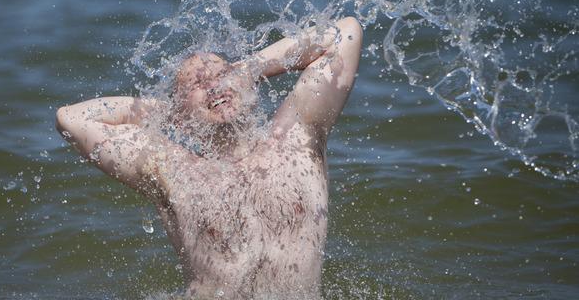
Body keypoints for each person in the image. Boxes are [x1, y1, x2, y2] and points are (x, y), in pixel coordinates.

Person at [56, 17, 363, 299]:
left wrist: (251, 67)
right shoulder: (172, 168)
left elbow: (344, 34)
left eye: (221, 74)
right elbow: (72, 119)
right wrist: (167, 111)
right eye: (195, 85)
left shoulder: (297, 136)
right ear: (179, 111)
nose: (213, 85)